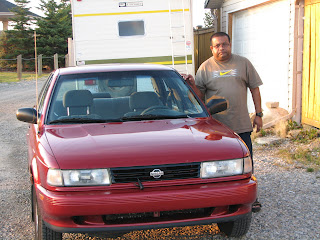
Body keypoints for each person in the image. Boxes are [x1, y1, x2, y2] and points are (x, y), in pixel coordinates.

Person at [183, 31, 262, 212]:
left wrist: (259, 114)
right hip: (216, 127)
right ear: (211, 48)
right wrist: (192, 84)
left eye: (224, 44)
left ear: (230, 44)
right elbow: (200, 96)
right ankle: (219, 196)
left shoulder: (243, 63)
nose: (221, 48)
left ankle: (251, 197)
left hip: (240, 123)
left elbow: (255, 89)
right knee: (217, 164)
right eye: (217, 45)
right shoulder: (205, 67)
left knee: (246, 161)